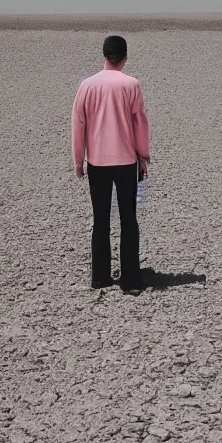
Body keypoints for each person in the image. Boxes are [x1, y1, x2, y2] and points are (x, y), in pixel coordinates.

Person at [71, 35, 151, 292]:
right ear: (125, 57)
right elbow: (140, 122)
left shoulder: (87, 85)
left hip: (97, 162)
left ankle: (100, 277)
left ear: (104, 55)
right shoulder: (131, 84)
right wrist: (144, 156)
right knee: (129, 218)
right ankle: (129, 278)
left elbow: (78, 124)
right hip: (126, 161)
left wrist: (78, 160)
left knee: (101, 218)